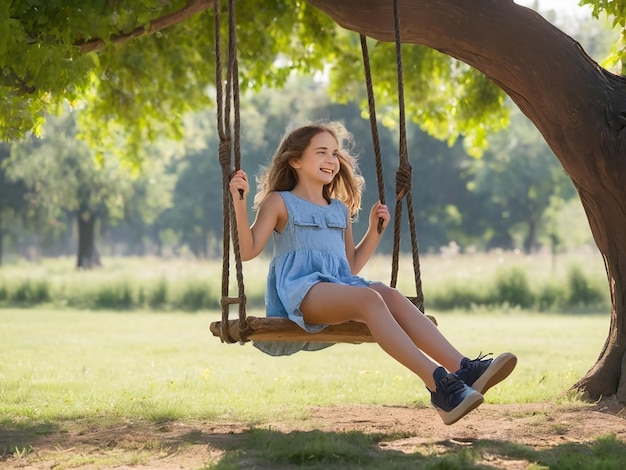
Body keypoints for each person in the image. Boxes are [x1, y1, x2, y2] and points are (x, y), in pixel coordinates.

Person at [229, 120, 517, 425]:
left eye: (335, 154)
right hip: (302, 294)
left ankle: (463, 368)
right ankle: (438, 384)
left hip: (337, 288)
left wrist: (373, 234)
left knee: (387, 293)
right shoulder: (280, 202)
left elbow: (348, 268)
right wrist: (239, 201)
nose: (331, 160)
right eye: (321, 152)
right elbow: (247, 251)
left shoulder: (339, 209)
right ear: (296, 160)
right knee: (369, 298)